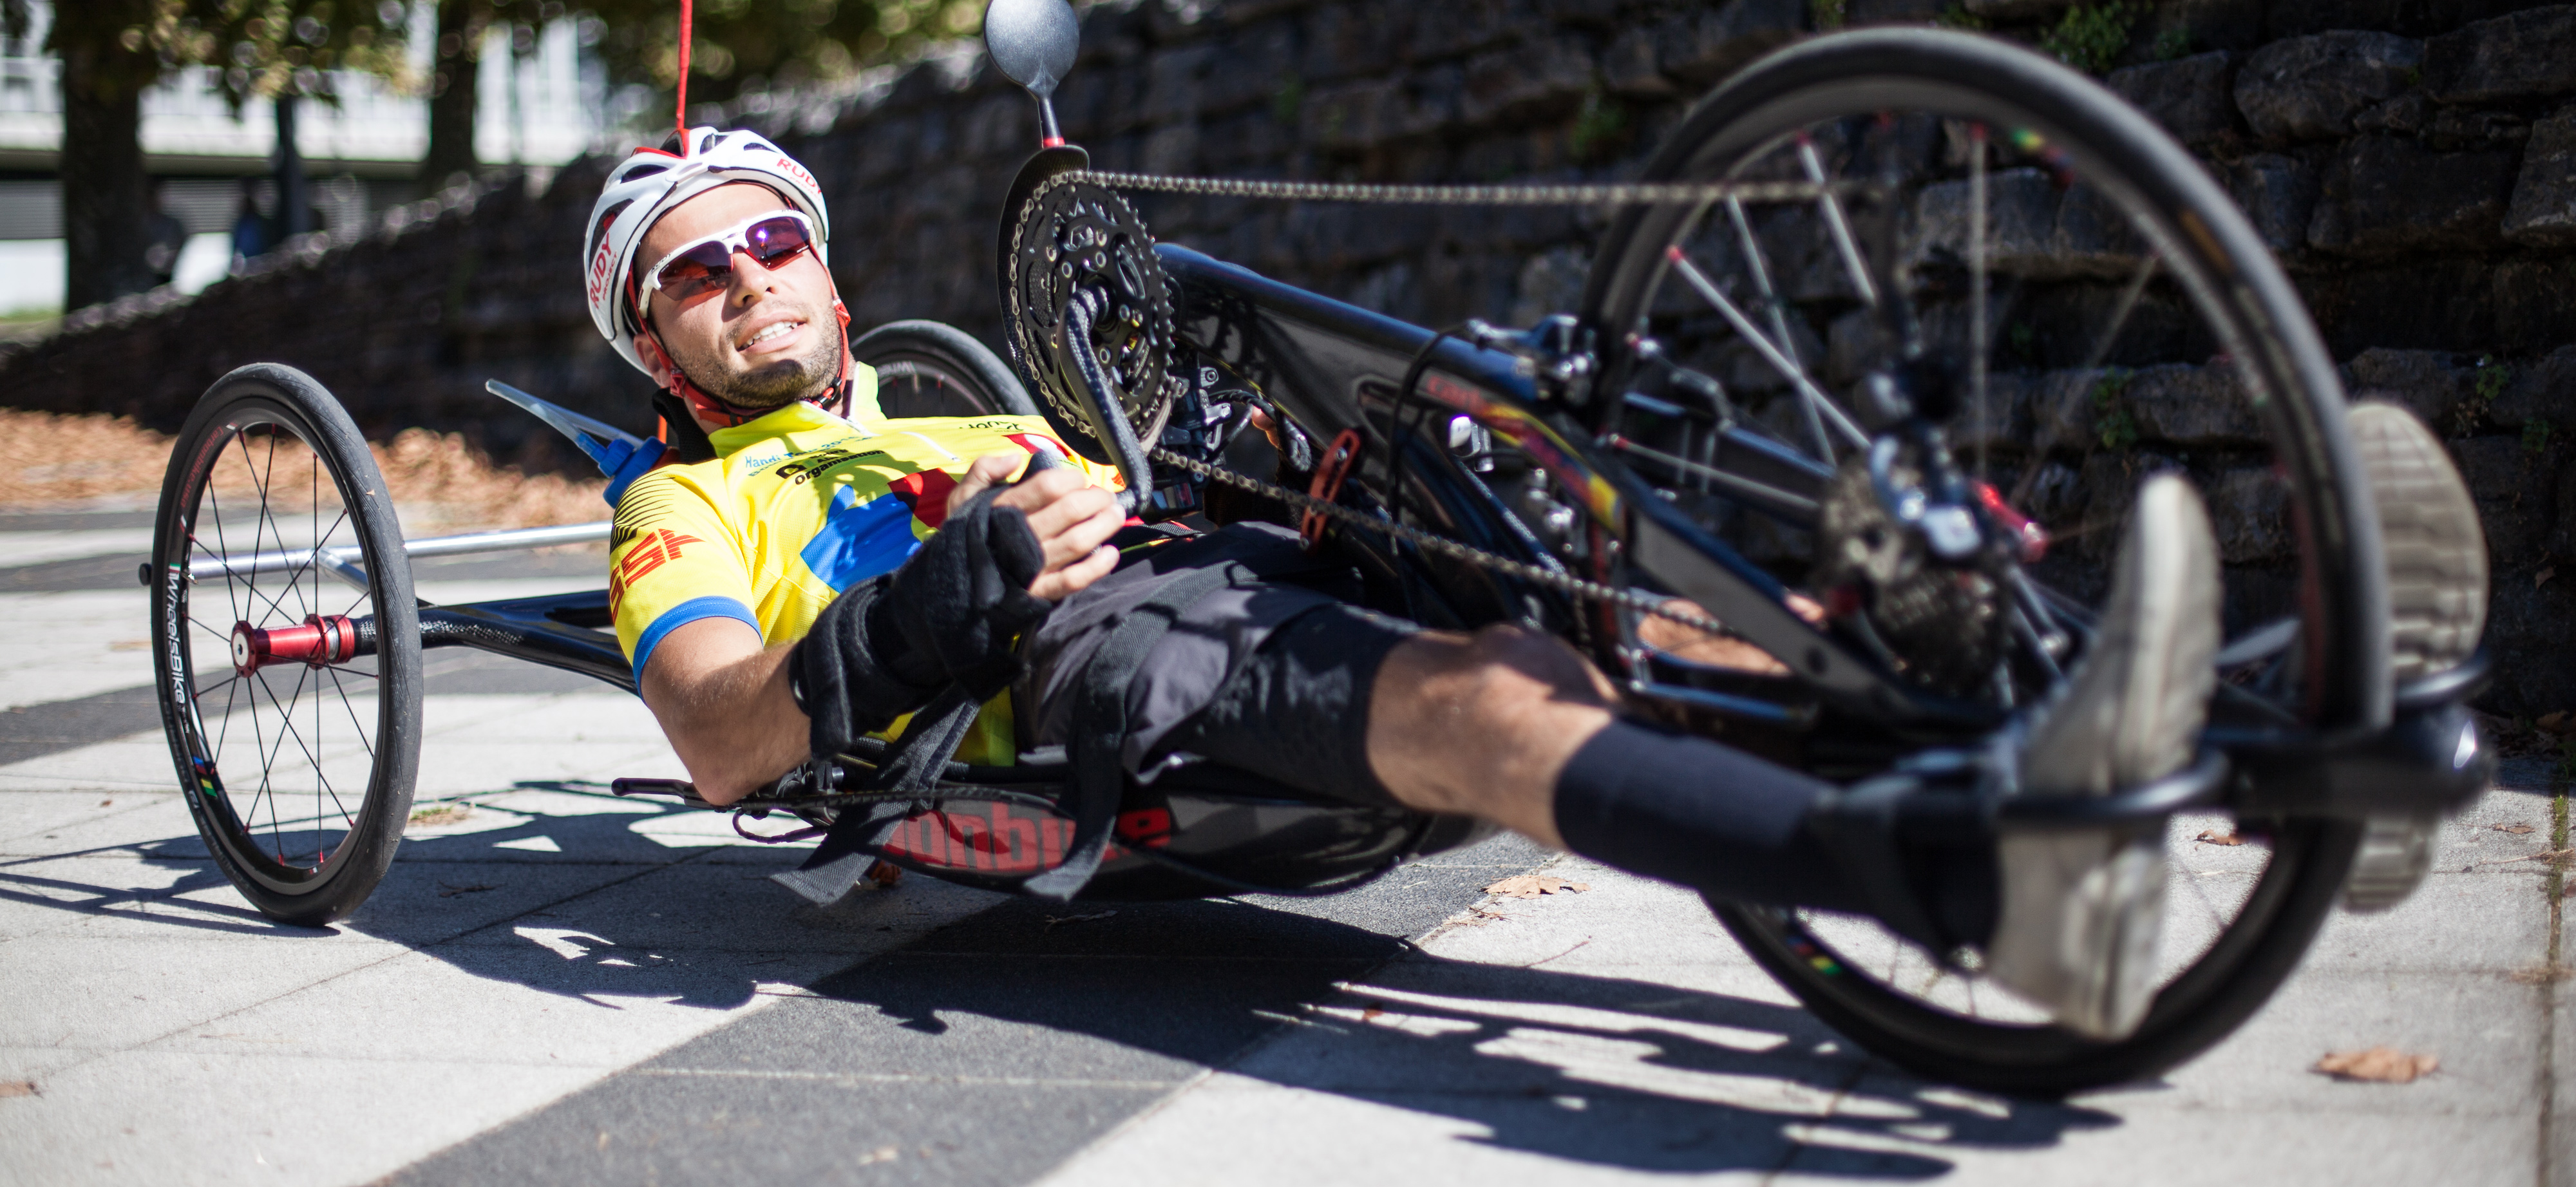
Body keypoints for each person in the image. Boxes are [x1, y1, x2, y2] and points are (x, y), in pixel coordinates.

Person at [584, 128, 2485, 1042]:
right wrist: (945, 601)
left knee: (1592, 563)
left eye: (774, 237)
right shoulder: (681, 504)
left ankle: (2296, 734)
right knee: (1487, 699)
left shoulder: (953, 408)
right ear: (656, 340)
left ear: (832, 277)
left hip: (1198, 550)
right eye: (700, 268)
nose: (753, 274)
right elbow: (724, 742)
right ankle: (1990, 885)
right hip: (1074, 666)